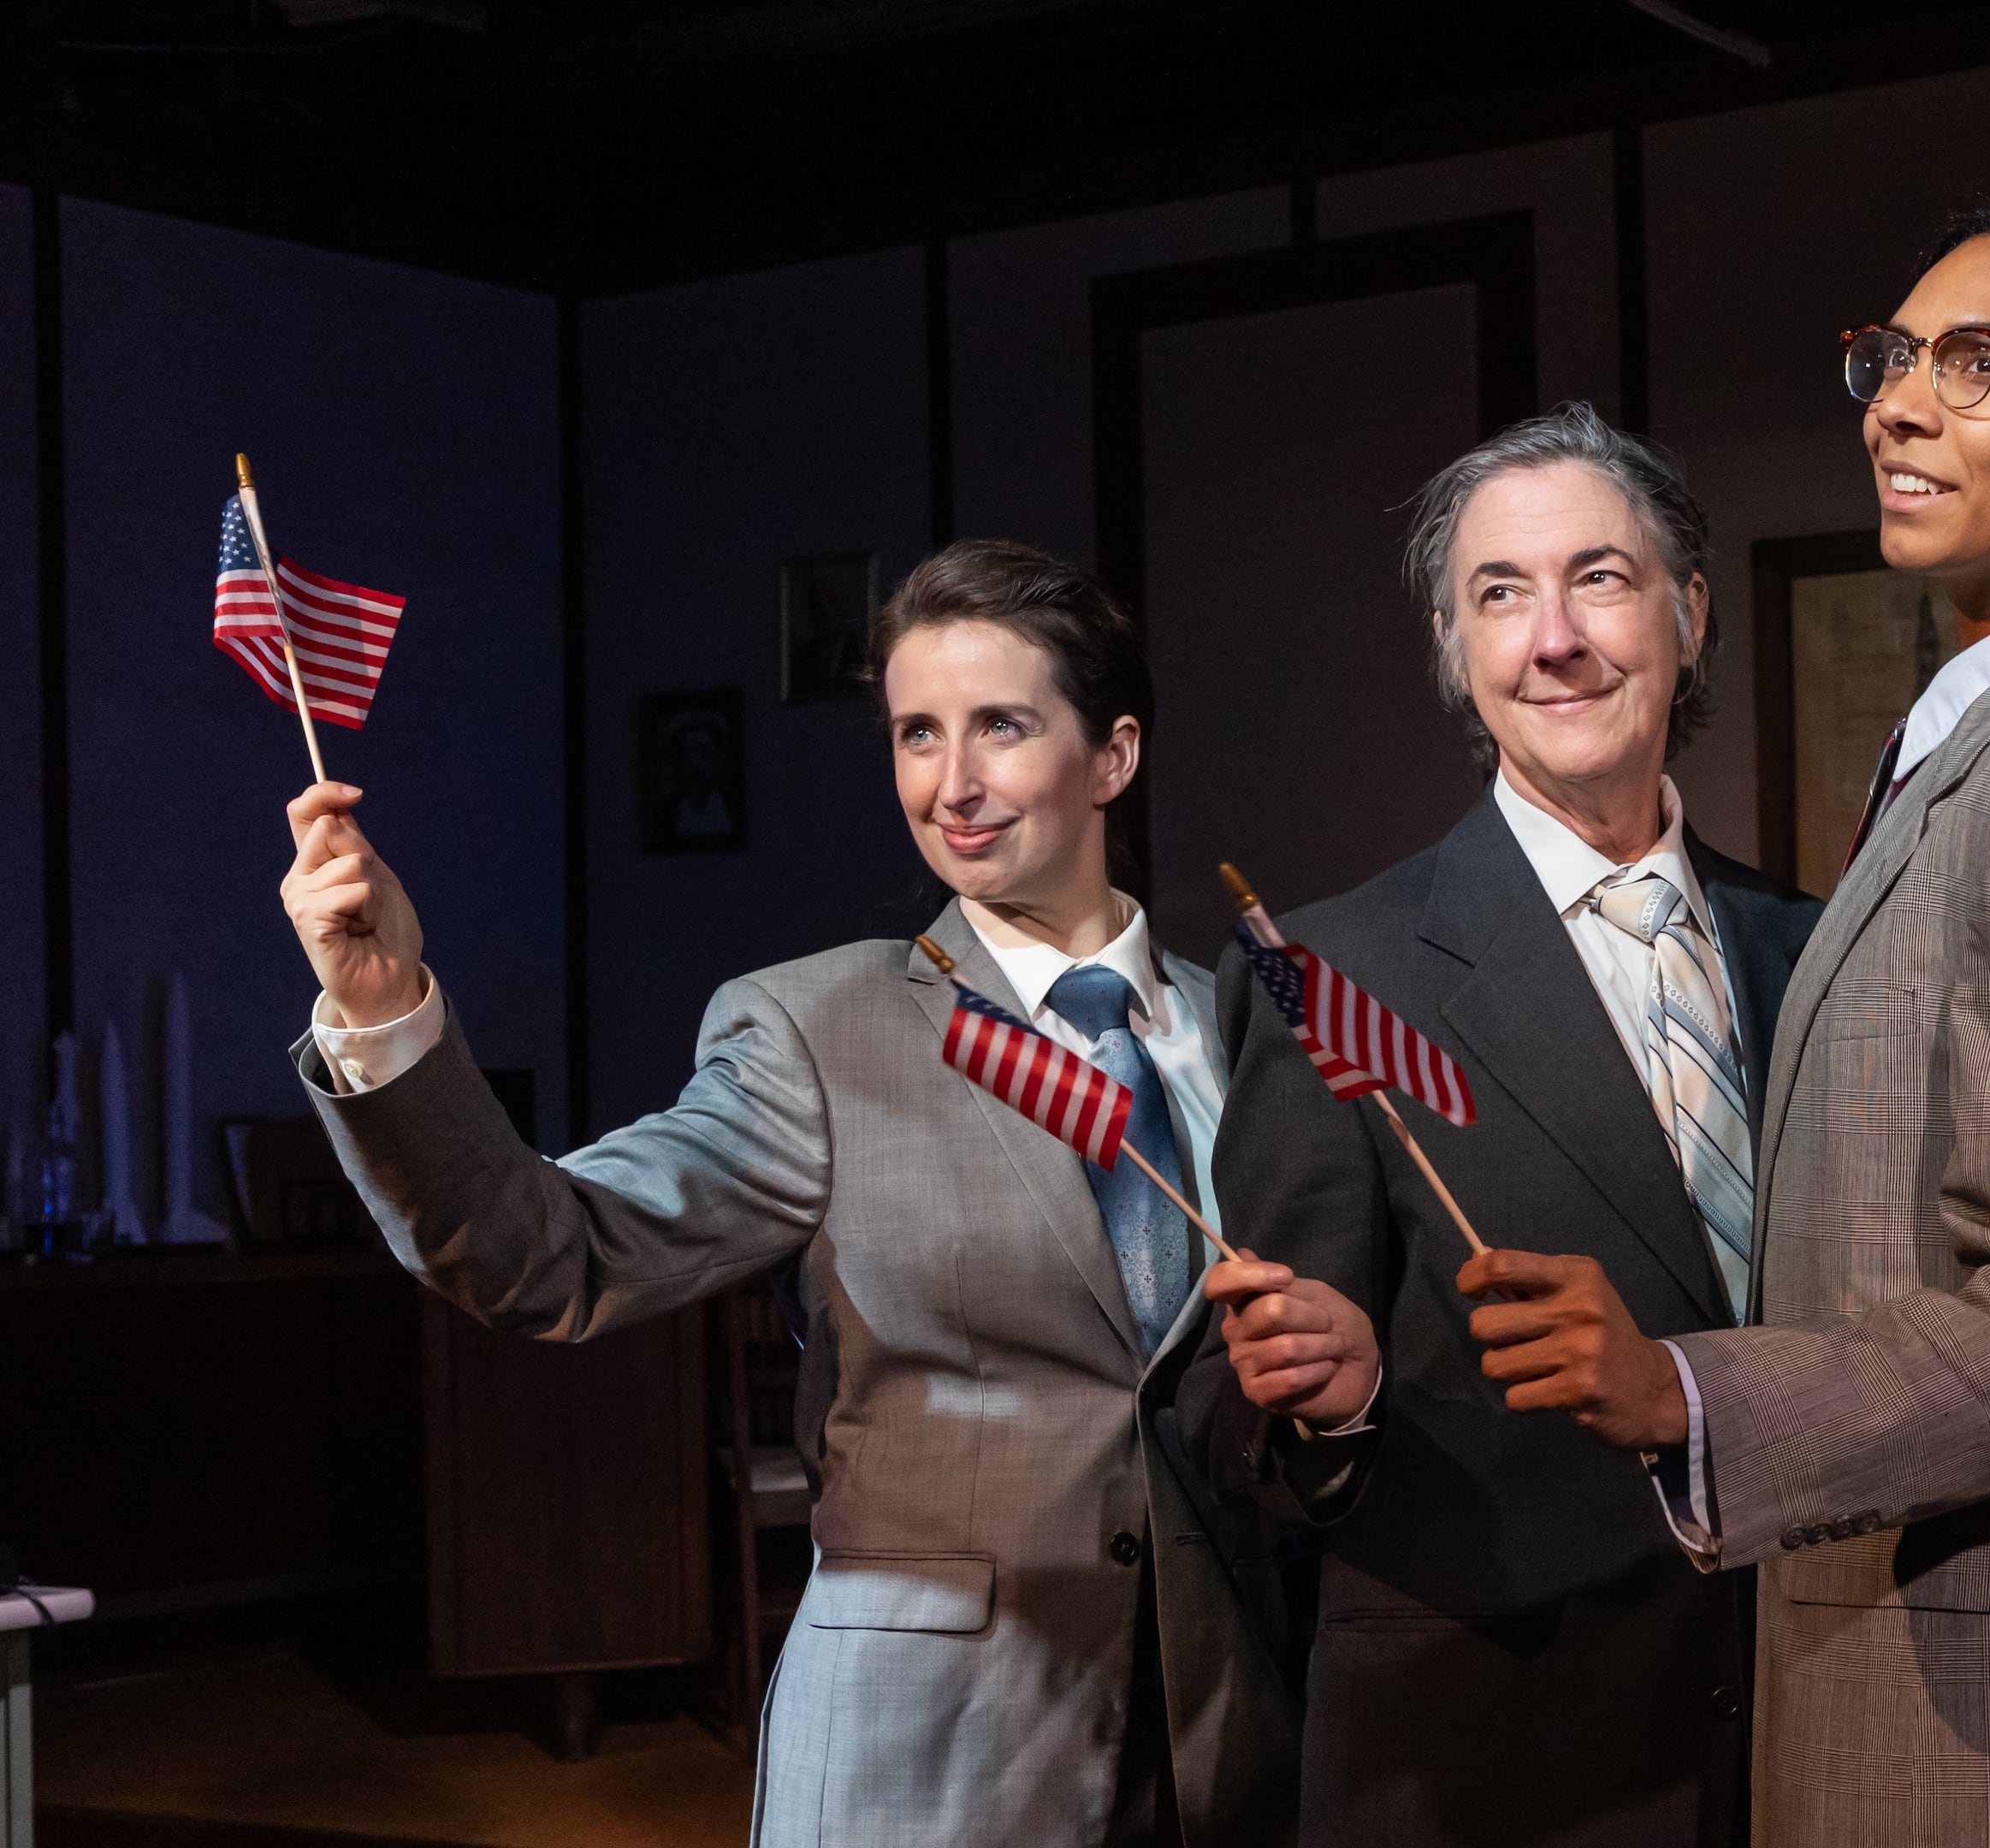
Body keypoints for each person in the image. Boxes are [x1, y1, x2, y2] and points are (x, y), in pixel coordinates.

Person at [1466, 203, 1990, 1844]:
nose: (1898, 405)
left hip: (1981, 1712)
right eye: (1895, 357)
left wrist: (1687, 1395)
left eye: (1979, 365)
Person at [275, 541, 1299, 1846]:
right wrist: (384, 1018)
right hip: (926, 1752)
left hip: (1221, 1748)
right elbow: (547, 1255)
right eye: (917, 734)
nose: (954, 783)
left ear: (1111, 757)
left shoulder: (1242, 1030)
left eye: (1000, 726)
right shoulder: (821, 1028)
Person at [1190, 403, 1823, 1846]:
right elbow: (1236, 1420)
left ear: (1690, 614)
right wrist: (1332, 1403)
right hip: (1497, 1754)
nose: (1557, 638)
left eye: (1600, 577)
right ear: (1456, 651)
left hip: (1803, 1725)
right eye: (1501, 595)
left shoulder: (1818, 944)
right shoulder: (1327, 977)